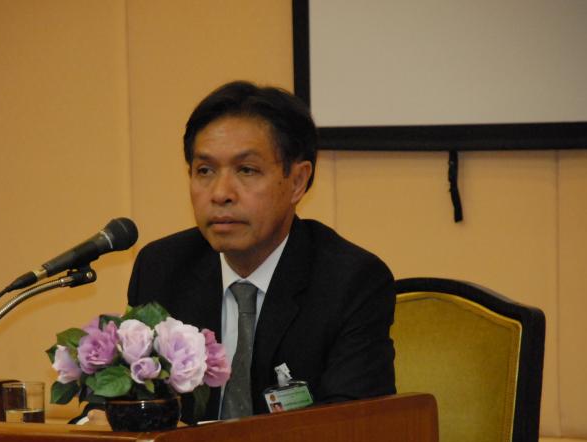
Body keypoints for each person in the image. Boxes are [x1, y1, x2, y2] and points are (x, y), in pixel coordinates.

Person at [127, 81, 395, 423]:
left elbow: (352, 428)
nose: (220, 193)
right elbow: (121, 402)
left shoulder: (350, 282)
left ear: (297, 182)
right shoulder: (162, 269)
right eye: (205, 171)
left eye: (246, 170)